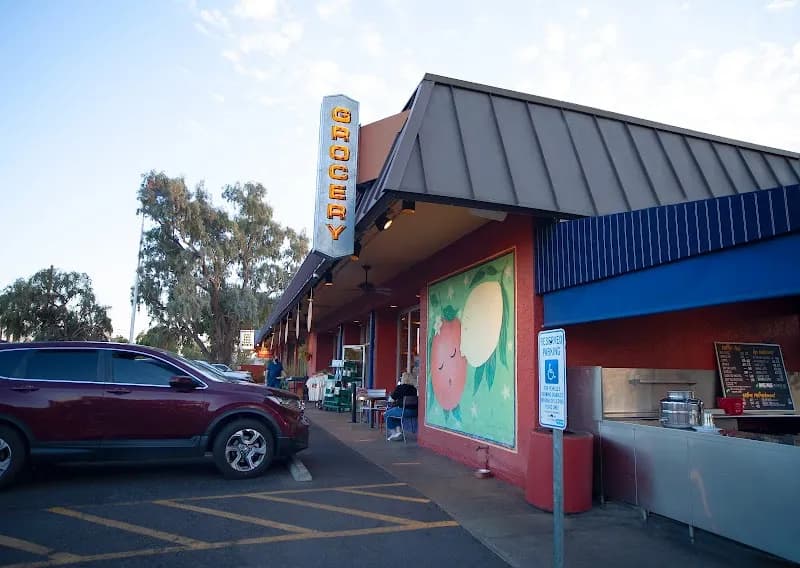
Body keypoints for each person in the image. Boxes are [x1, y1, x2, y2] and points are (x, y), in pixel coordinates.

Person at [384, 373, 417, 441]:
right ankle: (398, 433)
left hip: (404, 411)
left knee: (386, 414)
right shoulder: (414, 389)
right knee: (394, 413)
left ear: (403, 379)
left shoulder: (400, 387)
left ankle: (394, 433)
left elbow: (391, 399)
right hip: (414, 412)